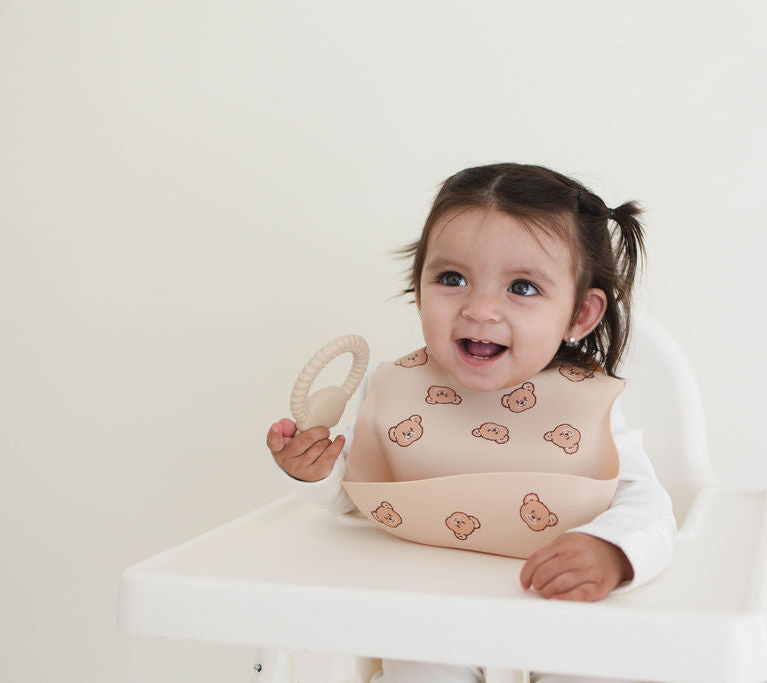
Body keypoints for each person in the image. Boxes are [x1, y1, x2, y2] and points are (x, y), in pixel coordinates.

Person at [265, 163, 676, 683]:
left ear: (580, 315)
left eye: (522, 287)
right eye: (452, 279)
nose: (480, 309)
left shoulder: (584, 407)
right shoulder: (396, 391)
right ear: (418, 288)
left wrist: (611, 551)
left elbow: (648, 505)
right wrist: (318, 473)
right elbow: (369, 495)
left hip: (556, 607)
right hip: (428, 609)